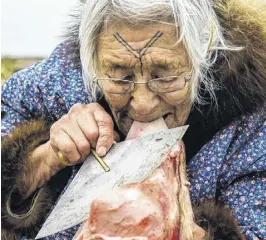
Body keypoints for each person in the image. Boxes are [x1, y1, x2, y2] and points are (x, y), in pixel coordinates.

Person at [1, 0, 265, 239]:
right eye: (119, 76)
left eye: (165, 76)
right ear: (92, 61)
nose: (142, 104)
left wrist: (185, 230)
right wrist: (47, 157)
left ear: (202, 58)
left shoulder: (250, 124)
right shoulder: (58, 83)